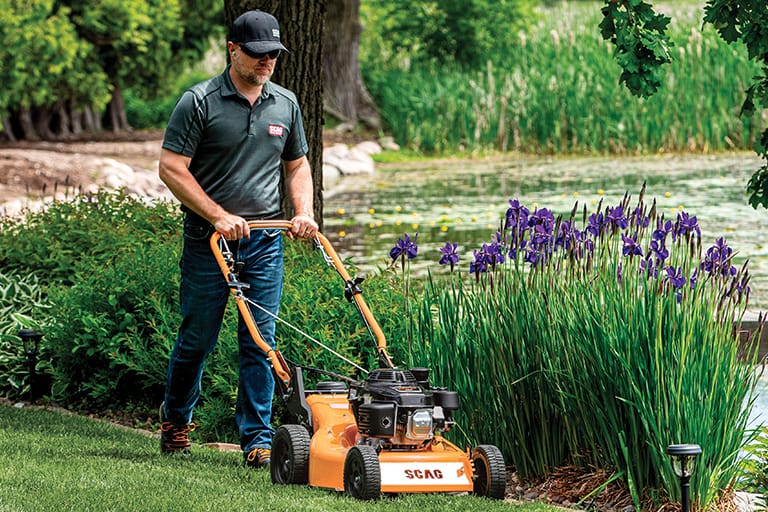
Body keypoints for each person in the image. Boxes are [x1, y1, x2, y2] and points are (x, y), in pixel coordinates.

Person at [157, 9, 318, 469]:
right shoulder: (199, 101)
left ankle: (258, 440)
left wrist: (303, 212)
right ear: (233, 50)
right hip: (209, 240)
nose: (267, 61)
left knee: (260, 341)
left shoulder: (285, 103)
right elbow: (171, 168)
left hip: (265, 240)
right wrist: (218, 215)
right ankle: (176, 420)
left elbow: (297, 165)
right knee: (197, 338)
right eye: (258, 53)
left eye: (274, 54)